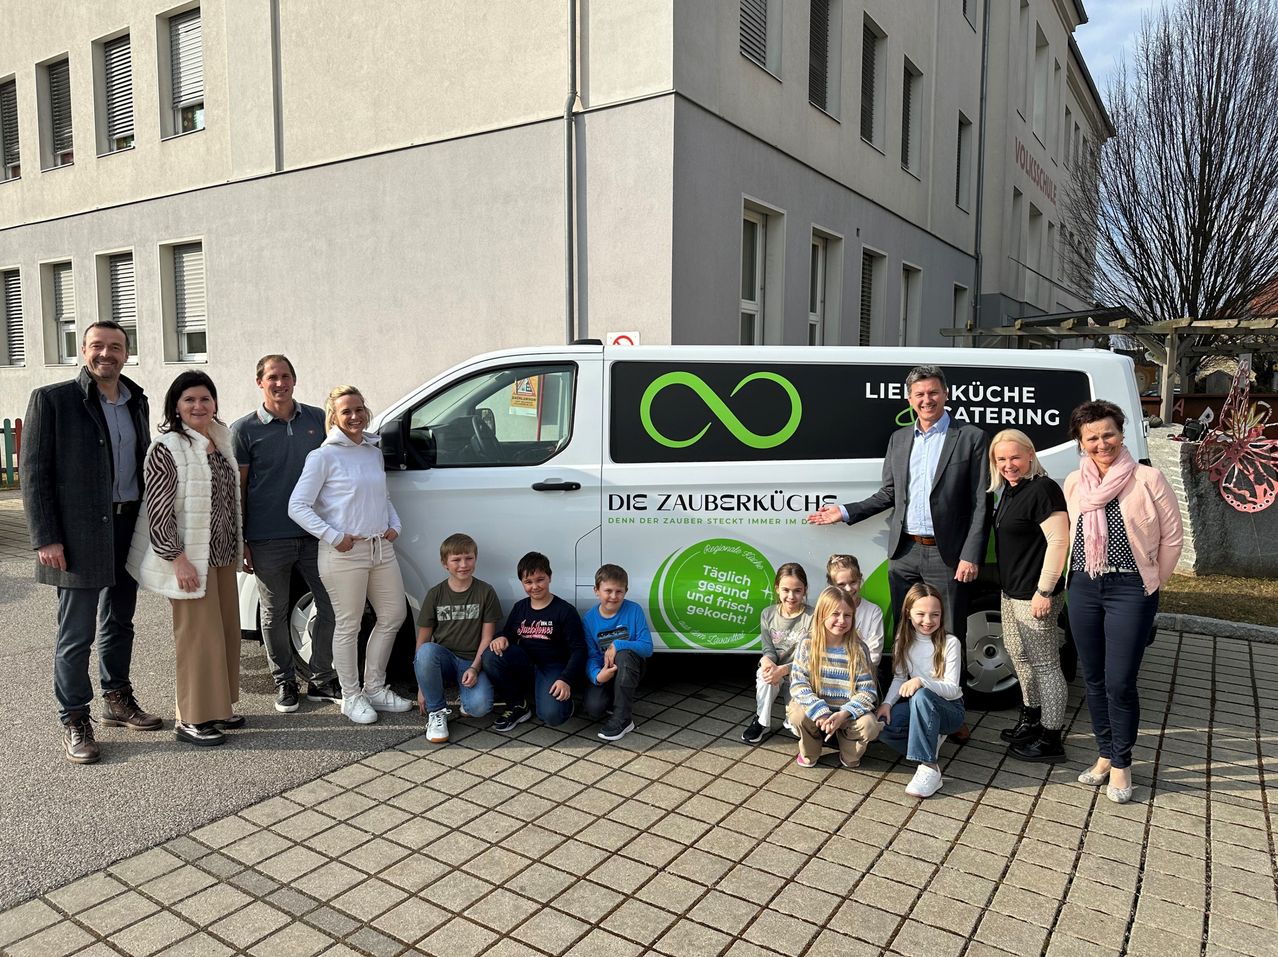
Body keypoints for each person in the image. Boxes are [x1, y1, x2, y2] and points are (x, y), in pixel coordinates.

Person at [808, 364, 988, 742]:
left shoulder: (970, 438)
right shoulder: (900, 439)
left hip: (948, 554)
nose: (927, 400)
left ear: (945, 394)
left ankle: (952, 712)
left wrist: (971, 554)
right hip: (905, 551)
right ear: (910, 400)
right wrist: (843, 512)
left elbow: (979, 502)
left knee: (947, 632)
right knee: (905, 631)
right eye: (919, 394)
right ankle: (896, 703)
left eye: (933, 393)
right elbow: (889, 494)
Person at [22, 320, 163, 763]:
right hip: (78, 534)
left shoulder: (136, 400)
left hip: (127, 526)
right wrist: (47, 537)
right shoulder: (54, 400)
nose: (107, 354)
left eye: (116, 347)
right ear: (83, 351)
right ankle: (74, 717)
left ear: (127, 352)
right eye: (98, 346)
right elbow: (34, 473)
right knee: (76, 632)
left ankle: (117, 699)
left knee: (120, 621)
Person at [1063, 400, 1183, 804]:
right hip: (1083, 585)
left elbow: (1172, 538)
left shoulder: (1148, 478)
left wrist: (1151, 585)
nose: (1102, 443)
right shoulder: (1074, 483)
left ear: (1122, 433)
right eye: (1092, 437)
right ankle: (1103, 754)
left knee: (1119, 681)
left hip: (1131, 588)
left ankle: (1121, 763)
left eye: (1108, 433)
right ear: (1081, 442)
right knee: (1093, 677)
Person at [126, 371, 244, 747]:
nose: (198, 406)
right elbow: (158, 510)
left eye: (205, 399)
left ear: (215, 404)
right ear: (175, 406)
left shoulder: (219, 439)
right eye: (189, 400)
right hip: (190, 558)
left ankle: (219, 706)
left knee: (223, 634)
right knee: (197, 639)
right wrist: (176, 558)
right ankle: (191, 717)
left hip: (222, 555)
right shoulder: (167, 446)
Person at [288, 385, 414, 726]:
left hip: (380, 547)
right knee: (349, 624)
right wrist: (333, 536)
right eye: (347, 411)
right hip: (344, 553)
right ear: (334, 416)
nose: (355, 416)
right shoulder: (323, 457)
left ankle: (374, 688)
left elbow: (382, 496)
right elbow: (297, 506)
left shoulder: (372, 451)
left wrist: (395, 525)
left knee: (393, 615)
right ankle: (351, 695)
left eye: (359, 409)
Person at [231, 354, 339, 714]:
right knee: (273, 611)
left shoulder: (317, 420)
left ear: (295, 379)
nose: (280, 383)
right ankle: (285, 681)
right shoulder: (244, 430)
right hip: (267, 537)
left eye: (286, 376)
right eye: (272, 377)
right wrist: (241, 538)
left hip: (315, 533)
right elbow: (240, 488)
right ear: (260, 382)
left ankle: (321, 679)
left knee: (330, 605)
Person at [988, 429, 1070, 762]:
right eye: (1002, 459)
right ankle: (1032, 718)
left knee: (1046, 665)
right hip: (1012, 593)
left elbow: (1059, 543)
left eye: (1015, 457)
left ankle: (1051, 739)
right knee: (1019, 658)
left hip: (1035, 595)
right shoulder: (1009, 490)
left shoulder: (1044, 490)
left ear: (1031, 455)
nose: (1009, 465)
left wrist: (1044, 590)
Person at [876, 583, 965, 798]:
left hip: (950, 710)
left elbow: (953, 690)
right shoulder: (902, 641)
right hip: (919, 705)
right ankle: (929, 738)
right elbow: (899, 678)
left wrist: (921, 681)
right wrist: (887, 704)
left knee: (922, 695)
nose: (928, 621)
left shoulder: (950, 643)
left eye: (935, 614)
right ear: (908, 613)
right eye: (921, 614)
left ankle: (929, 767)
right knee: (884, 728)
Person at [484, 552, 587, 732]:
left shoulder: (565, 611)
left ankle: (564, 704)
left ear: (550, 577)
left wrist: (566, 679)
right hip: (526, 662)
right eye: (528, 582)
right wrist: (501, 637)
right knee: (491, 655)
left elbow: (579, 650)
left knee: (552, 716)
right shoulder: (520, 607)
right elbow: (508, 633)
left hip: (553, 666)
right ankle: (517, 705)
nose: (535, 586)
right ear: (522, 583)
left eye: (540, 580)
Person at [414, 533, 501, 744]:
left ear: (475, 559)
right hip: (443, 659)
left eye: (469, 558)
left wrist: (475, 668)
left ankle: (466, 695)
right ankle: (437, 712)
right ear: (445, 564)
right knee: (426, 651)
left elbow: (487, 638)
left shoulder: (485, 592)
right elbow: (422, 641)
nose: (463, 564)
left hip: (471, 661)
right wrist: (421, 687)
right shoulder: (435, 594)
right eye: (456, 559)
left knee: (479, 708)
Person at [787, 586, 881, 769]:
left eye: (847, 615)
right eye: (835, 614)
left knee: (869, 725)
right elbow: (798, 684)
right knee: (797, 714)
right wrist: (821, 712)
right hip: (817, 712)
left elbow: (868, 691)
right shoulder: (807, 644)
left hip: (846, 713)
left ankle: (847, 748)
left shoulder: (858, 648)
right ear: (822, 614)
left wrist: (844, 714)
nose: (841, 620)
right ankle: (810, 750)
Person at [741, 563, 813, 744]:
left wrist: (783, 670)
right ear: (777, 589)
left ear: (805, 590)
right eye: (785, 590)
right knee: (763, 674)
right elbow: (768, 649)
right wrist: (766, 661)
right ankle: (762, 721)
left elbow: (811, 658)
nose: (791, 596)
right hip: (776, 672)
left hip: (802, 674)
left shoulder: (813, 616)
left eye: (797, 590)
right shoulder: (768, 614)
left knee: (797, 728)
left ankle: (791, 717)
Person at [582, 563, 653, 742]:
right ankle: (616, 699)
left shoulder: (634, 610)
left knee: (624, 654)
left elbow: (647, 647)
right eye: (608, 591)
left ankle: (623, 718)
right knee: (594, 709)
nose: (613, 596)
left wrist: (618, 644)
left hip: (631, 666)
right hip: (606, 671)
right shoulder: (589, 619)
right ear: (596, 590)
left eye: (619, 591)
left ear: (626, 591)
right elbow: (590, 655)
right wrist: (597, 676)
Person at [825, 554, 885, 669]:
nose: (848, 589)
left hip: (863, 675)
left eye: (853, 582)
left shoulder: (873, 612)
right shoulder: (826, 610)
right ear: (831, 585)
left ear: (860, 579)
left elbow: (874, 656)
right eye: (841, 585)